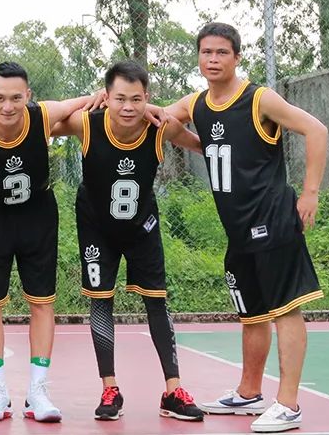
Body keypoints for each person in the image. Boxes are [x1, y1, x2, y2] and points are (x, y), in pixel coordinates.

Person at [164, 22, 327, 434]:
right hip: (237, 232)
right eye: (206, 52)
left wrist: (310, 193)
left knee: (285, 310)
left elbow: (316, 129)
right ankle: (249, 392)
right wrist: (116, 103)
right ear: (198, 57)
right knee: (251, 315)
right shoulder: (197, 103)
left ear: (237, 57)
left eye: (222, 52)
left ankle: (288, 404)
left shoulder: (259, 99)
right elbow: (162, 121)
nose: (213, 59)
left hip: (272, 220)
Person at [0, 62, 99, 422]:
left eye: (16, 98)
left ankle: (37, 391)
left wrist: (100, 94)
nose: (8, 106)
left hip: (37, 219)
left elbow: (80, 103)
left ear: (28, 96)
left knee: (42, 303)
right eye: (0, 98)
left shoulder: (41, 117)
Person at [51, 61, 204, 422]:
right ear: (106, 97)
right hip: (97, 228)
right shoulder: (87, 124)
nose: (128, 107)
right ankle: (110, 388)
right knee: (101, 301)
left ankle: (173, 390)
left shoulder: (160, 127)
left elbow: (199, 145)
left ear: (147, 97)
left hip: (141, 227)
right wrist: (82, 101)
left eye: (136, 99)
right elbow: (45, 123)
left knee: (157, 301)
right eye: (119, 98)